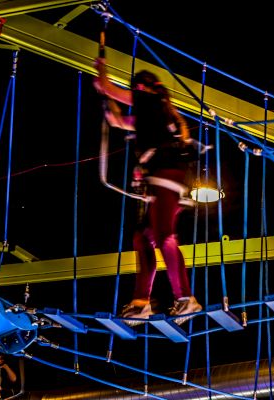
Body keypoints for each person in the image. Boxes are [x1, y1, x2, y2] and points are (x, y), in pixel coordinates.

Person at [93, 58, 202, 326]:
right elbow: (119, 121)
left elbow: (111, 91)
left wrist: (102, 73)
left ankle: (186, 297)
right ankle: (141, 302)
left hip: (166, 176)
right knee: (143, 237)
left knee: (165, 236)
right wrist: (107, 100)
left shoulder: (150, 103)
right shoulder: (157, 114)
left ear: (143, 87)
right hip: (165, 179)